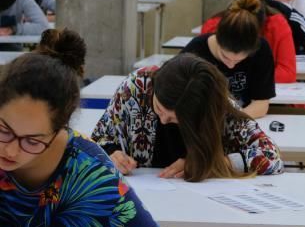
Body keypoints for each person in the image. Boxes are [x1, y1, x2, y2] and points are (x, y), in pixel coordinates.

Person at [0, 28, 168, 227]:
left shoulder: (90, 173)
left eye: (32, 141)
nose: (10, 150)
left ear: (59, 129)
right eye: (4, 131)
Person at [92, 53, 284, 179]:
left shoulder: (216, 104)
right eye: (158, 108)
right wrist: (110, 153)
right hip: (139, 199)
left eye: (175, 119)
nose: (163, 121)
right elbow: (97, 139)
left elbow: (270, 155)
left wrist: (212, 165)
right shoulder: (136, 87)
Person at [181, 0, 276, 118]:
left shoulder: (261, 50)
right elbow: (175, 96)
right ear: (217, 38)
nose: (231, 66)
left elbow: (261, 104)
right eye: (225, 57)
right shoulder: (195, 51)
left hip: (241, 121)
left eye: (239, 60)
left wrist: (232, 121)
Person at [202, 0, 297, 83]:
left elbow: (287, 72)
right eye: (225, 56)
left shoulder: (276, 26)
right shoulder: (212, 27)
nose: (232, 64)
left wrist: (243, 78)